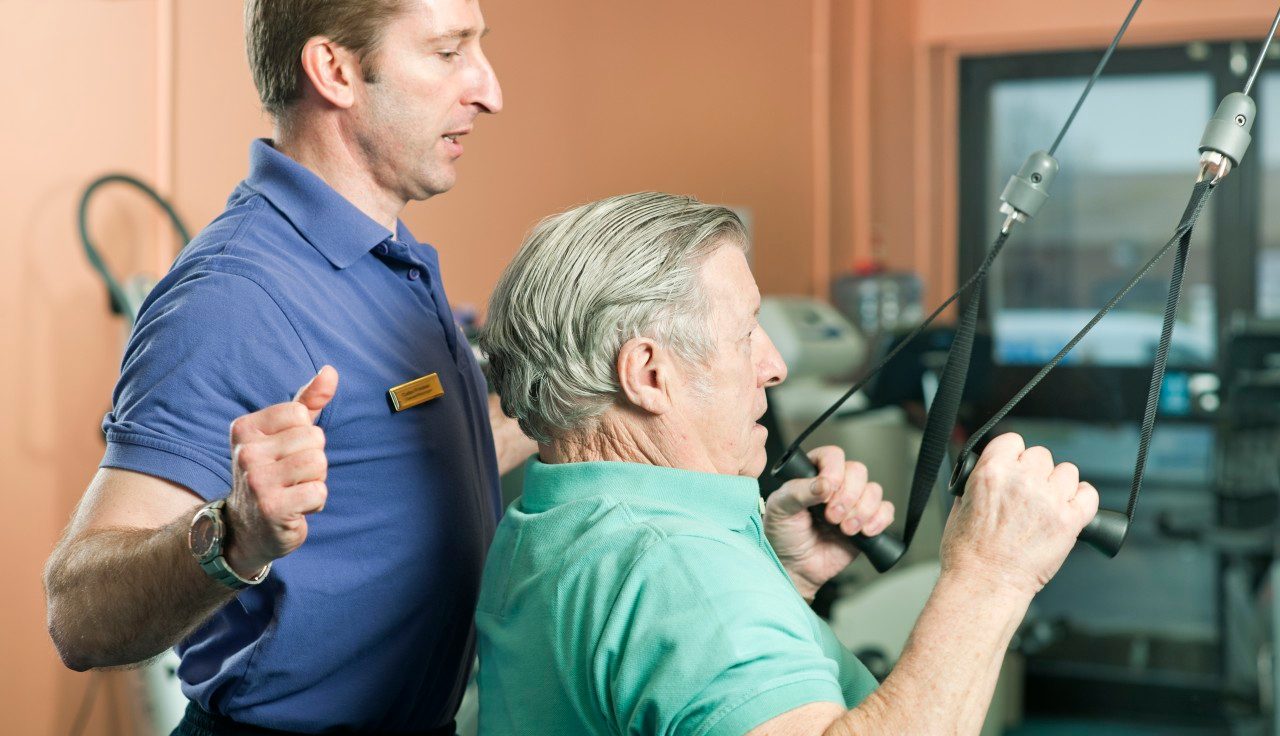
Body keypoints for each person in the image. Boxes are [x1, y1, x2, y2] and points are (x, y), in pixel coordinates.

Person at [42, 1, 535, 733]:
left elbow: (399, 475)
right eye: (446, 53)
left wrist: (578, 401)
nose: (489, 91)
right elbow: (77, 615)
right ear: (334, 71)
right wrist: (234, 534)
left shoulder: (385, 256)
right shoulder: (234, 294)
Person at [475, 192, 1100, 735]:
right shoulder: (677, 571)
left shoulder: (547, 515)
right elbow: (679, 603)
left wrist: (781, 580)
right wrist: (991, 576)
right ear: (649, 374)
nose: (774, 366)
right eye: (747, 331)